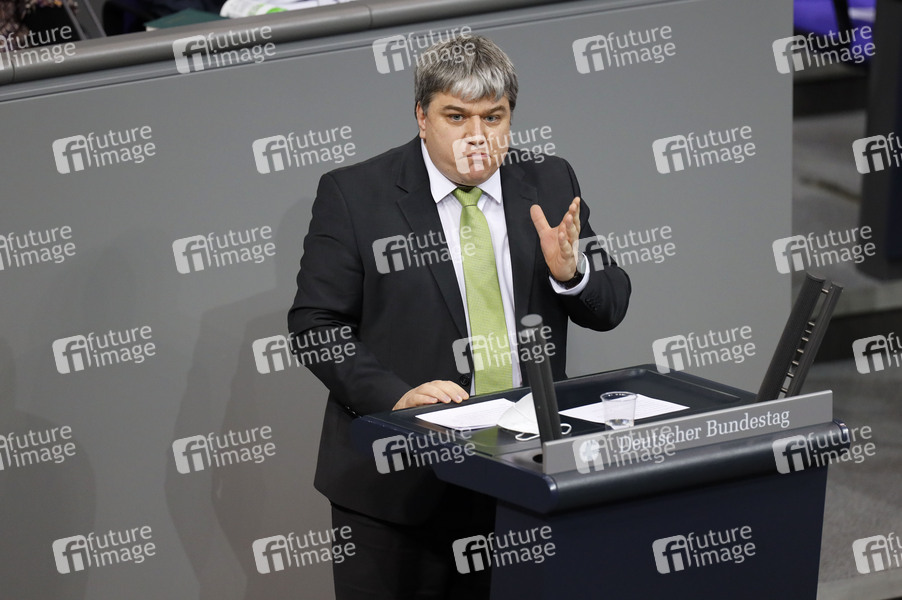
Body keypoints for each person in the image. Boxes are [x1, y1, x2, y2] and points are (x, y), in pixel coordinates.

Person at [287, 33, 631, 600]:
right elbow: (315, 326)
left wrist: (571, 273)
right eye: (456, 117)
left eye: (493, 117)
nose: (478, 136)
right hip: (401, 488)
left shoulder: (549, 180)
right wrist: (396, 397)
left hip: (525, 476)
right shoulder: (355, 195)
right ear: (422, 117)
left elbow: (610, 305)